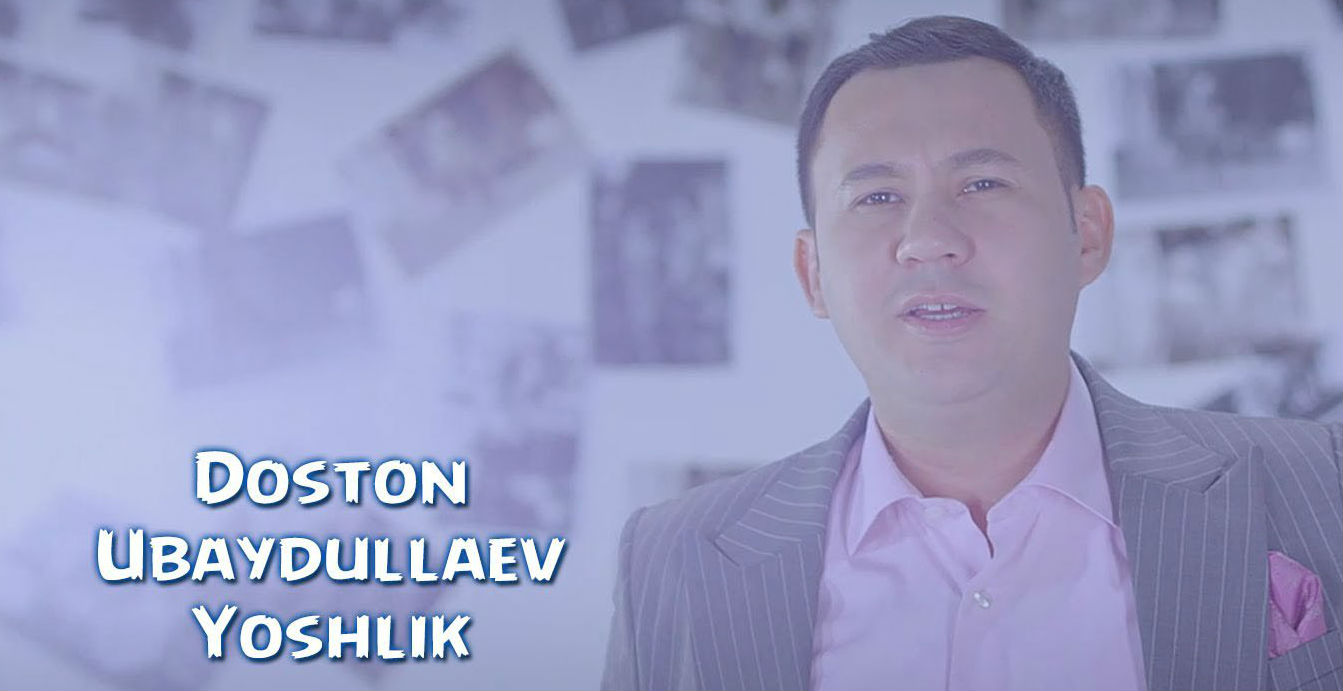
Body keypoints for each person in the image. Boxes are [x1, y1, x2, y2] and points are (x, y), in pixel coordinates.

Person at [601, 15, 1342, 691]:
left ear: (1087, 233)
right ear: (812, 272)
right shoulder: (672, 560)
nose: (929, 239)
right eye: (876, 197)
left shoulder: (1322, 485)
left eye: (982, 182)